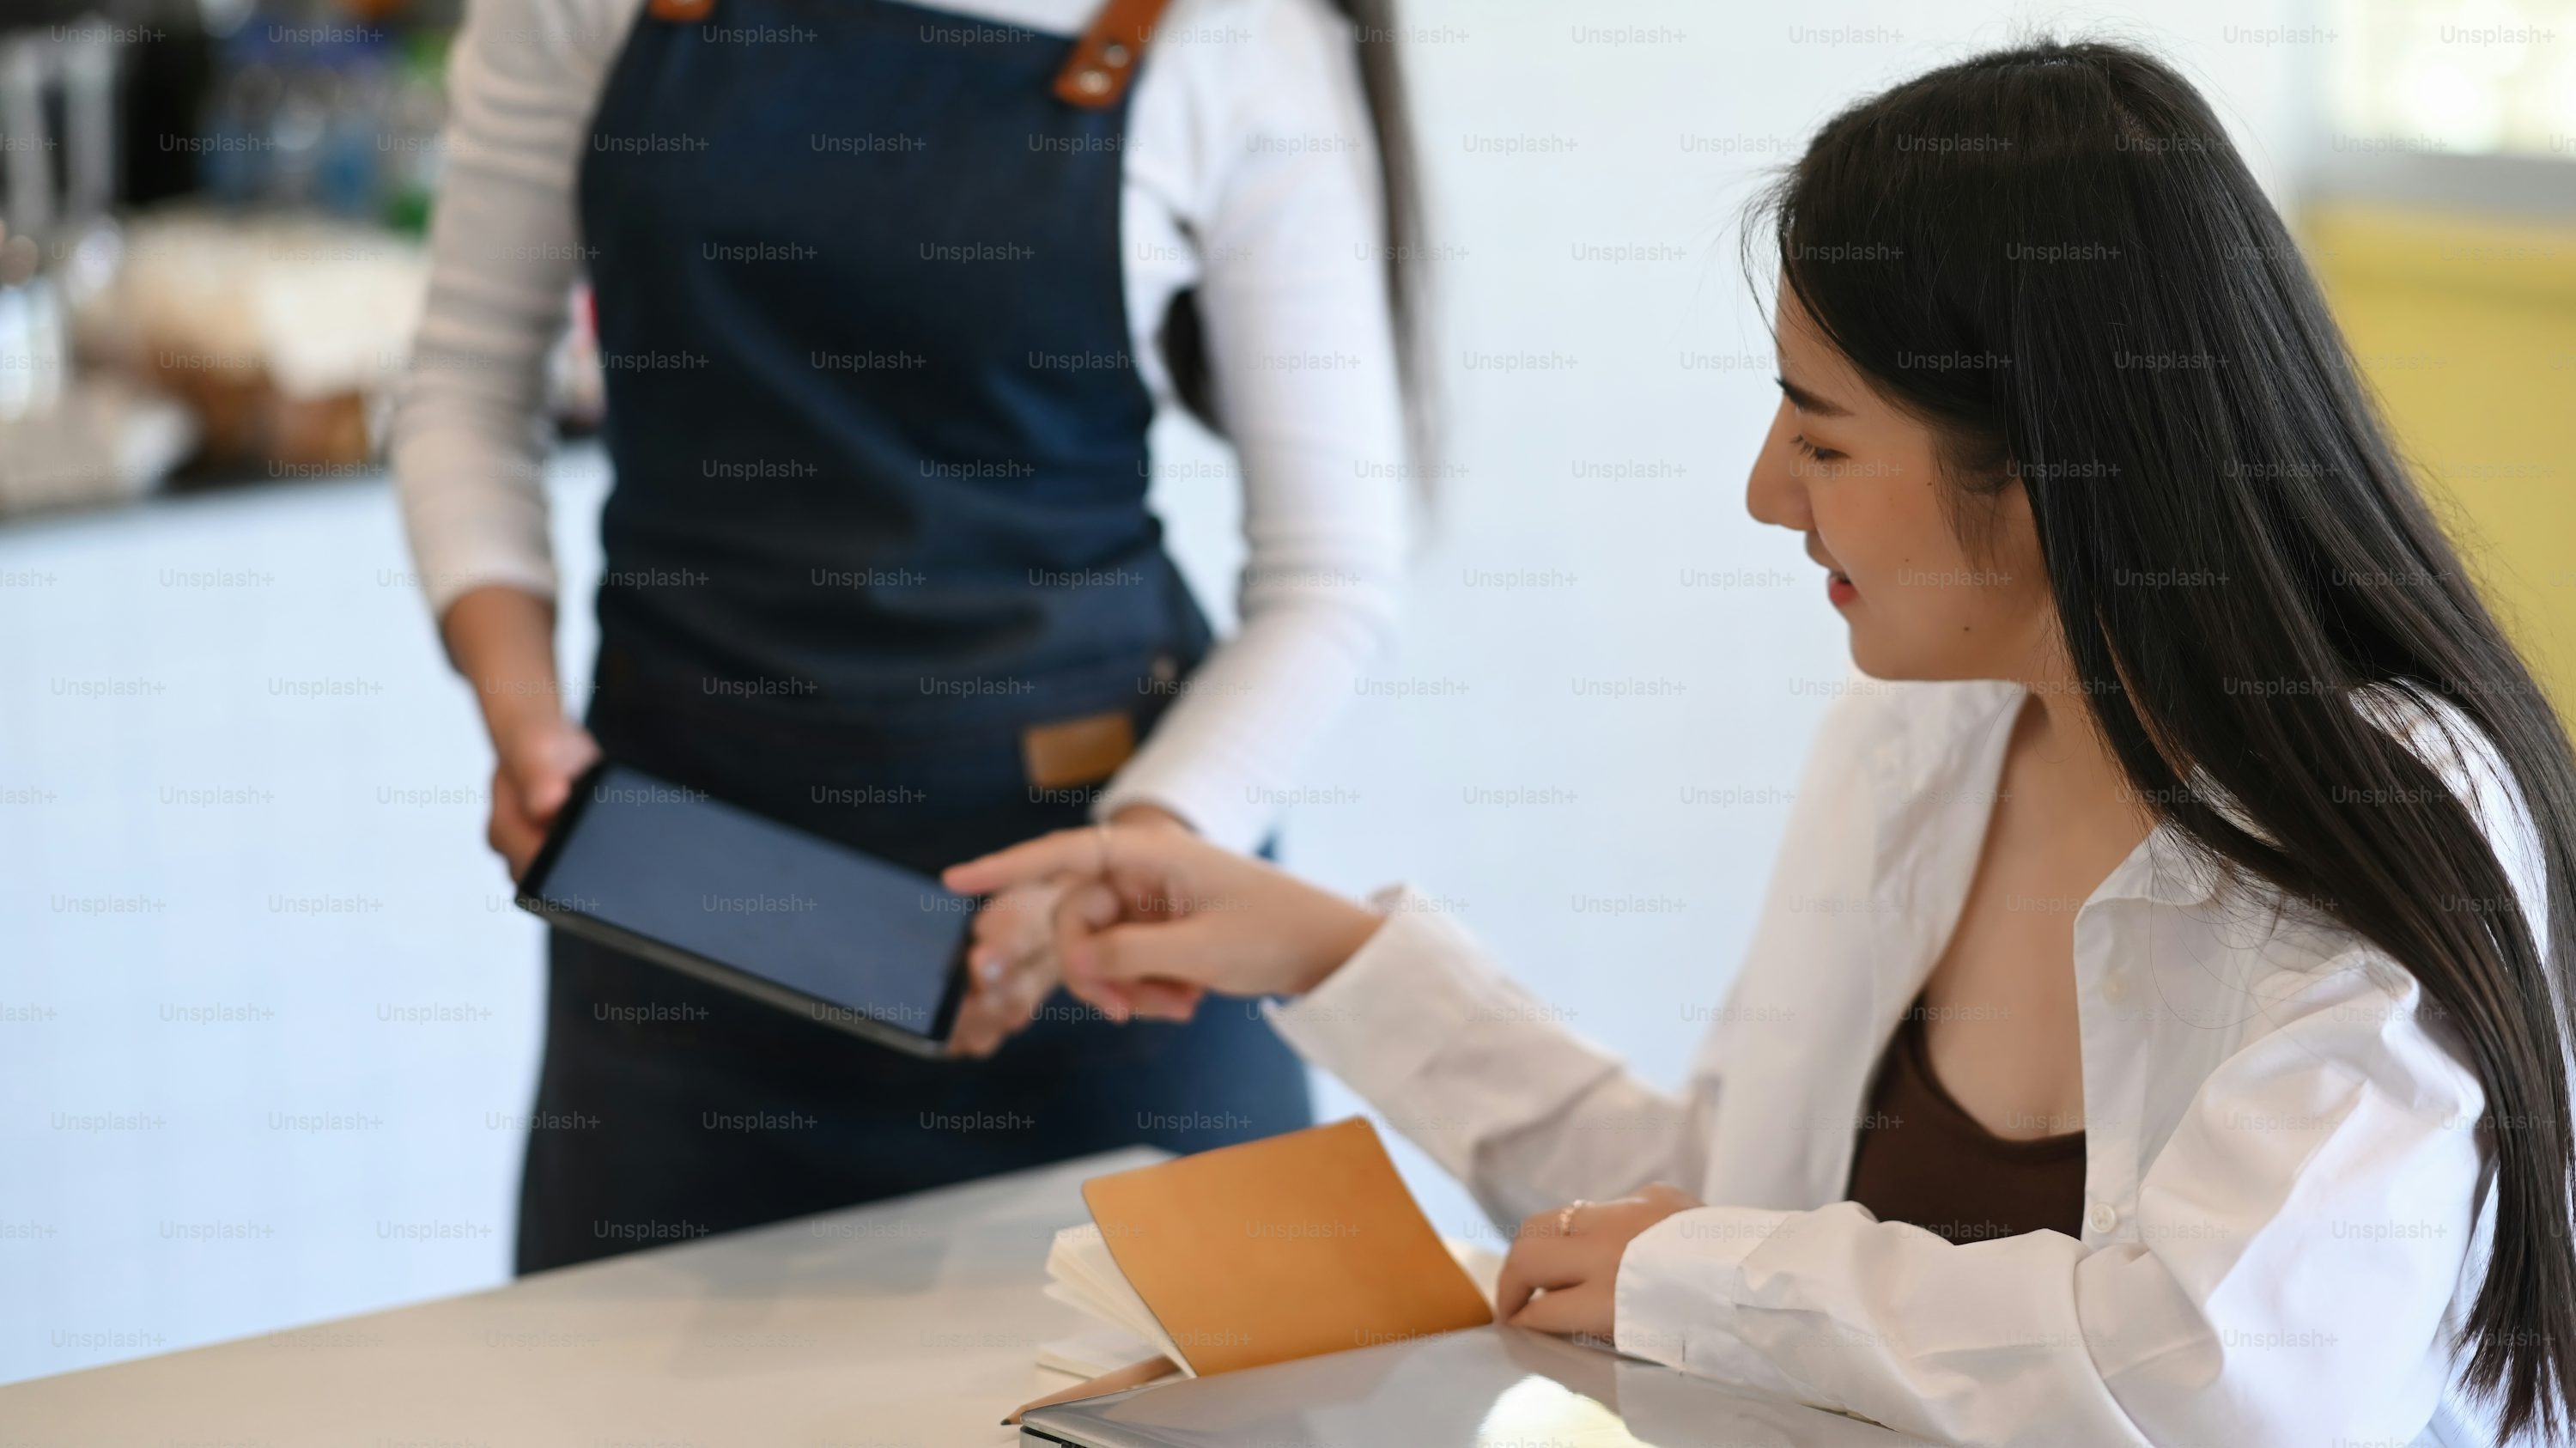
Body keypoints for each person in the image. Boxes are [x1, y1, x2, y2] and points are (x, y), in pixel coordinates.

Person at [946, 40, 2576, 1448]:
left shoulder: (2379, 801)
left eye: (1821, 430)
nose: (1765, 490)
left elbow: (2234, 1387)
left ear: (2047, 461)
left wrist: (1705, 1272)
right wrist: (1326, 949)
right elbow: (1721, 1203)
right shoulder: (1915, 739)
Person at [392, 0, 1419, 1273]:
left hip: (1110, 957)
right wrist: (522, 716)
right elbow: (463, 388)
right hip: (684, 935)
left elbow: (1331, 571)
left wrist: (1137, 850)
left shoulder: (1238, 36)